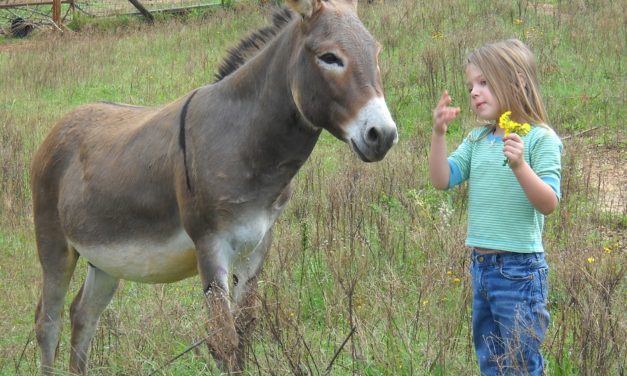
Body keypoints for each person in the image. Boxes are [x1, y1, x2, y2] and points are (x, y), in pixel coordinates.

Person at [429, 39, 562, 375]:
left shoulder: (539, 138)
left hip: (520, 271)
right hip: (482, 267)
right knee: (491, 362)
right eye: (471, 85)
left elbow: (548, 202)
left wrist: (520, 166)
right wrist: (438, 133)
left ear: (517, 81)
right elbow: (442, 179)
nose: (474, 92)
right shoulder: (477, 140)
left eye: (484, 82)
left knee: (520, 363)